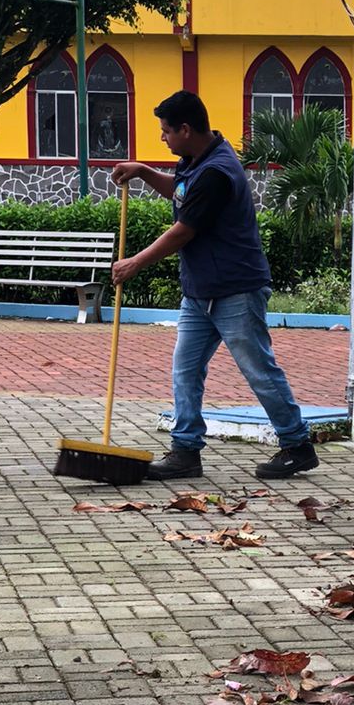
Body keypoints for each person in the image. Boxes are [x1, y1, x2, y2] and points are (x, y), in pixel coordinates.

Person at [110, 90, 318, 482]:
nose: (163, 138)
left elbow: (183, 230)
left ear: (186, 129)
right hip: (200, 292)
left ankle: (297, 446)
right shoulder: (196, 161)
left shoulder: (217, 173)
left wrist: (135, 263)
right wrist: (144, 172)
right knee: (185, 370)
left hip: (235, 289)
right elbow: (182, 193)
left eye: (166, 131)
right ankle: (186, 451)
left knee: (258, 370)